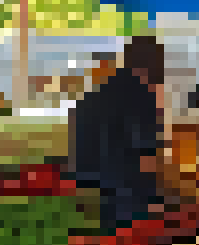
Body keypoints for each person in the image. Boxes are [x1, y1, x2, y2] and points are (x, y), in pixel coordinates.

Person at [71, 36, 166, 230]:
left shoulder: (99, 91)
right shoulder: (141, 95)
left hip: (86, 184)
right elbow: (147, 154)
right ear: (154, 63)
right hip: (124, 192)